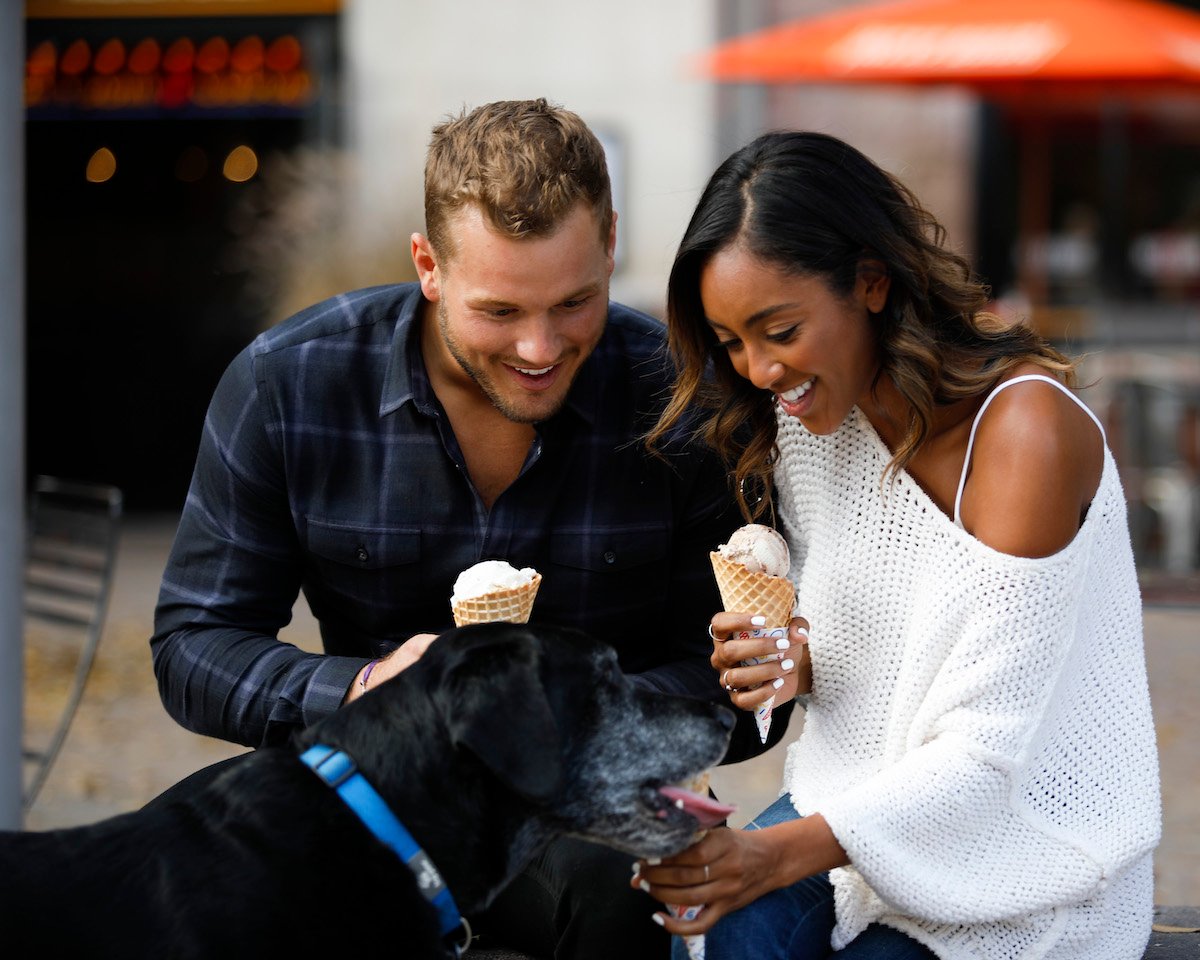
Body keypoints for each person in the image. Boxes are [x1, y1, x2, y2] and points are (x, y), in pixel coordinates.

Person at [150, 99, 791, 959]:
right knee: (176, 868)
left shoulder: (685, 404)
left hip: (576, 823)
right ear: (429, 266)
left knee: (621, 882)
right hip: (366, 791)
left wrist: (580, 729)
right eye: (499, 312)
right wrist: (363, 685)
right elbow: (193, 646)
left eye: (574, 303)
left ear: (611, 246)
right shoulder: (287, 385)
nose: (539, 347)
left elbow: (747, 697)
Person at [637, 131, 1161, 959]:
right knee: (713, 937)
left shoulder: (1024, 432)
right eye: (733, 341)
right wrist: (793, 663)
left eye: (780, 329)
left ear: (871, 282)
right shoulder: (809, 423)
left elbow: (985, 756)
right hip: (850, 810)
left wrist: (766, 855)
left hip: (1025, 858)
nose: (759, 370)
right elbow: (881, 653)